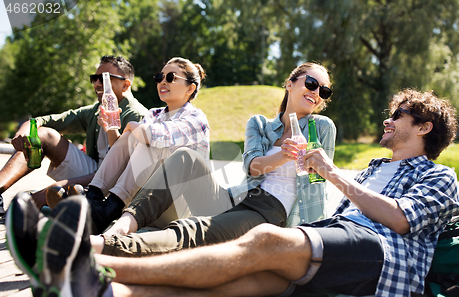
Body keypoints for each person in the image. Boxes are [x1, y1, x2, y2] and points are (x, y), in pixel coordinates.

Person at [7, 88, 459, 297]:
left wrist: (331, 171)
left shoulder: (440, 176)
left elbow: (398, 219)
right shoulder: (374, 166)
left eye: (398, 114)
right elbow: (255, 167)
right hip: (329, 240)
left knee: (261, 240)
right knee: (239, 282)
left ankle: (85, 260)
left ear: (423, 128)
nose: (388, 119)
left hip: (380, 255)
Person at [89, 62, 336, 256]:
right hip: (235, 197)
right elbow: (253, 168)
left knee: (196, 231)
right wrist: (283, 155)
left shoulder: (322, 127)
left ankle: (105, 248)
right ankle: (120, 226)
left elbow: (318, 181)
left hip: (270, 212)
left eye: (324, 91)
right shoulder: (260, 124)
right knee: (185, 156)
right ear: (290, 84)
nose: (317, 93)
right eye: (312, 83)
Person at [63, 57, 210, 234]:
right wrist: (112, 128)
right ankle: (93, 197)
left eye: (170, 77)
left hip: (177, 204)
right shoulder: (154, 114)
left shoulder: (196, 118)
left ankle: (107, 209)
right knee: (133, 137)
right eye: (159, 77)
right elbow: (124, 152)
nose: (162, 81)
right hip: (144, 198)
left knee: (148, 138)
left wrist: (132, 126)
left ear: (190, 88)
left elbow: (157, 136)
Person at [0, 55, 148, 214]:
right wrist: (24, 131)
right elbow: (45, 121)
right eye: (95, 78)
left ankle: (69, 200)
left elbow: (119, 174)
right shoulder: (95, 110)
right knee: (42, 134)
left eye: (105, 79)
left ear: (125, 85)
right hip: (92, 173)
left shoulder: (137, 116)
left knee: (53, 196)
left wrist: (57, 185)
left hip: (116, 188)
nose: (98, 83)